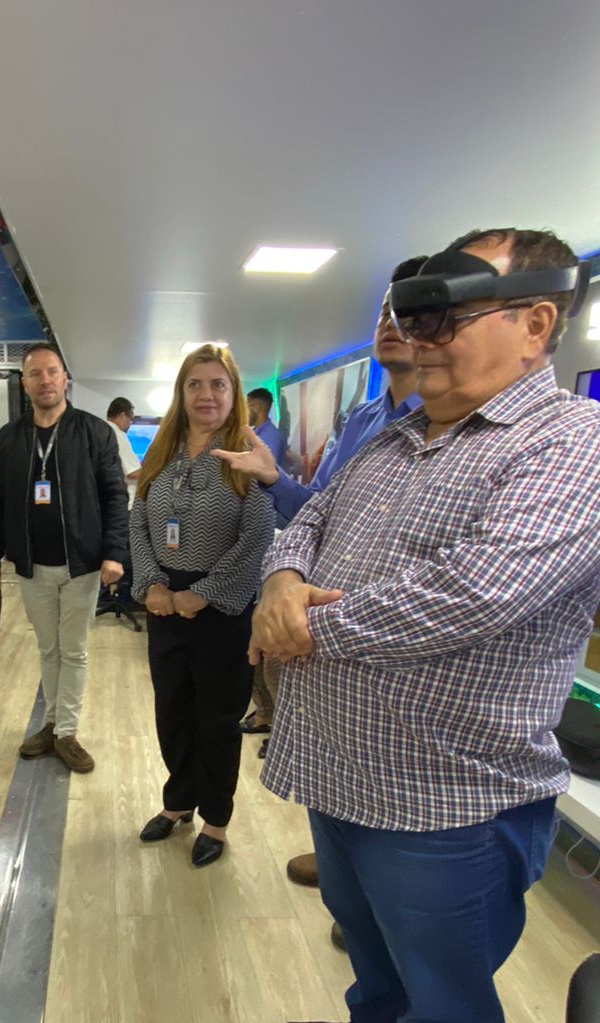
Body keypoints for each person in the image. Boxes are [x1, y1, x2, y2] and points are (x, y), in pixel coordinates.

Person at [253, 228, 600, 1023]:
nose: (417, 336)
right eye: (412, 315)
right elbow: (307, 521)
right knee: (373, 959)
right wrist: (282, 580)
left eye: (446, 316)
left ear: (536, 323)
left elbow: (474, 591)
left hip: (449, 801)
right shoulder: (391, 438)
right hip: (341, 772)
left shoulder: (583, 444)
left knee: (447, 1007)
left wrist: (303, 630)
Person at [215, 255, 427, 890]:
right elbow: (317, 513)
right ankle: (342, 862)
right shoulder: (362, 420)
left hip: (392, 627)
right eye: (384, 309)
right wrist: (275, 483)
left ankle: (373, 888)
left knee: (394, 773)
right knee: (334, 749)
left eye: (409, 311)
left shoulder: (461, 426)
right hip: (325, 617)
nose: (390, 322)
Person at [130, 346, 273, 866]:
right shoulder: (162, 450)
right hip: (164, 603)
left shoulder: (244, 455)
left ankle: (215, 818)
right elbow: (138, 518)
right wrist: (152, 584)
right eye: (195, 384)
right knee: (172, 711)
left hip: (222, 610)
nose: (206, 394)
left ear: (234, 394)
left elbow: (257, 536)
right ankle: (178, 802)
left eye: (218, 384)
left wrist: (204, 592)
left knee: (216, 718)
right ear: (181, 392)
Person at [0, 344, 128, 773]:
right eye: (35, 374)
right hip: (31, 566)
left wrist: (115, 553)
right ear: (24, 384)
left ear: (65, 379)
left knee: (74, 651)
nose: (45, 380)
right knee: (48, 650)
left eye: (52, 372)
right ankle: (51, 725)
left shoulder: (95, 433)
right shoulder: (9, 438)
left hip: (82, 565)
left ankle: (66, 732)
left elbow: (115, 496)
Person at [98, 396, 143, 626]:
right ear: (122, 414)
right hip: (124, 505)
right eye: (130, 419)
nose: (130, 425)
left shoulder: (98, 431)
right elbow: (132, 472)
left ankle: (102, 595)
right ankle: (126, 597)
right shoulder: (117, 435)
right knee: (130, 554)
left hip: (102, 506)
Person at [246, 387, 286, 469]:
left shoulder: (270, 436)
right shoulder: (256, 433)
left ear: (256, 408)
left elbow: (264, 470)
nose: (244, 413)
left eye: (245, 408)